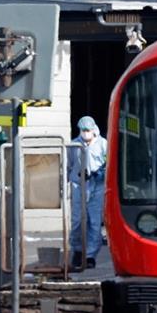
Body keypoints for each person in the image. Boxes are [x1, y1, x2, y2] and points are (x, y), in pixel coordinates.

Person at [68, 116, 108, 270]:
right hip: (79, 185)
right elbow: (68, 165)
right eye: (83, 130)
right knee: (77, 220)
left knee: (94, 222)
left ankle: (90, 255)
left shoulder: (103, 144)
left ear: (93, 129)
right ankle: (77, 251)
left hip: (97, 186)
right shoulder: (74, 145)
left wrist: (100, 174)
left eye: (88, 130)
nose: (85, 133)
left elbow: (109, 163)